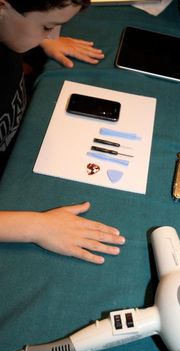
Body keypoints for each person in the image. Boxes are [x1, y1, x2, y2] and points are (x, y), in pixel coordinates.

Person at [0, 0, 125, 264]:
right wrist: (36, 226)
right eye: (47, 27)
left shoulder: (10, 31)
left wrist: (43, 39)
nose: (54, 34)